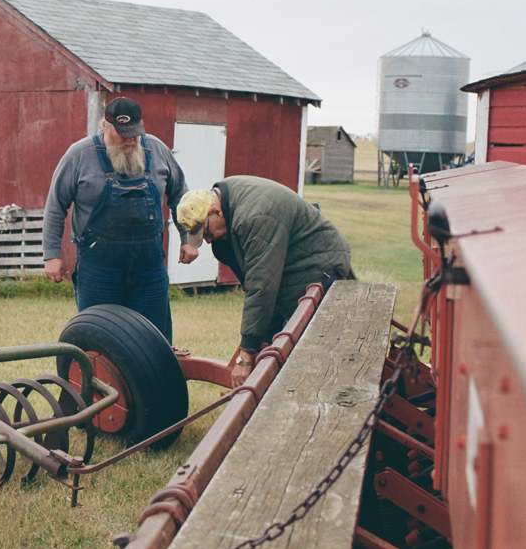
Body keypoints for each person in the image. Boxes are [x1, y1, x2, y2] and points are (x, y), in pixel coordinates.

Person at [42, 97, 197, 343]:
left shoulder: (156, 150)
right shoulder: (79, 155)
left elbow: (181, 196)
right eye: (123, 133)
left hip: (149, 267)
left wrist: (188, 239)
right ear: (105, 126)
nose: (130, 139)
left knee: (154, 340)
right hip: (99, 268)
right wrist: (52, 255)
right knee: (99, 338)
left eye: (135, 133)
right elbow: (55, 205)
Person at [176, 177, 352, 385]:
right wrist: (262, 341)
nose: (207, 240)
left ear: (216, 211)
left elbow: (262, 286)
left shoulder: (254, 217)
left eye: (206, 232)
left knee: (315, 351)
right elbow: (255, 284)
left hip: (320, 267)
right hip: (290, 266)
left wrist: (246, 355)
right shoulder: (227, 200)